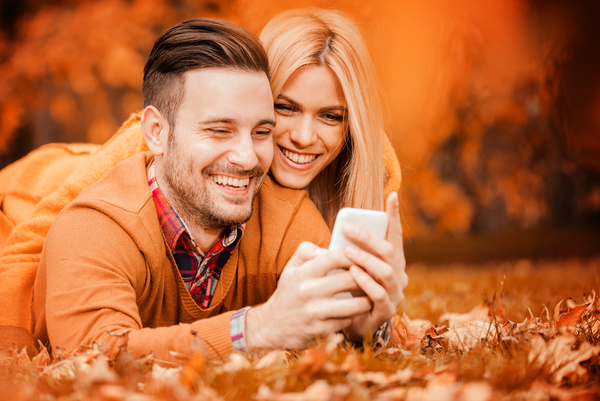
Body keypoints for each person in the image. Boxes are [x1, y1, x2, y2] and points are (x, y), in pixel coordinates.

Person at [23, 17, 407, 361]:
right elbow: (95, 357)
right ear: (156, 131)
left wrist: (362, 327)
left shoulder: (291, 213)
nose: (247, 157)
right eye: (219, 129)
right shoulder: (94, 226)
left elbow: (333, 325)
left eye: (261, 131)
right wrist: (254, 329)